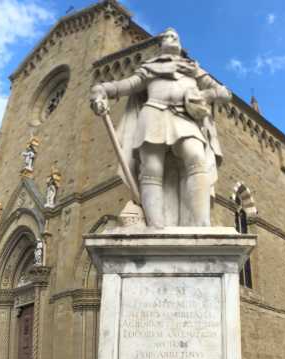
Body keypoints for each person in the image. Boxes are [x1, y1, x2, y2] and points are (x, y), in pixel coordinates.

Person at [90, 27, 231, 228]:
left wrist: (205, 96)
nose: (171, 37)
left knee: (197, 159)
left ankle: (201, 224)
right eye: (166, 36)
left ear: (181, 45)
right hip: (153, 115)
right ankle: (155, 226)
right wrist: (101, 90)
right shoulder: (150, 68)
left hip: (185, 117)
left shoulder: (193, 68)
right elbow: (127, 86)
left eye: (175, 36)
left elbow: (224, 93)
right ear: (161, 44)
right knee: (151, 170)